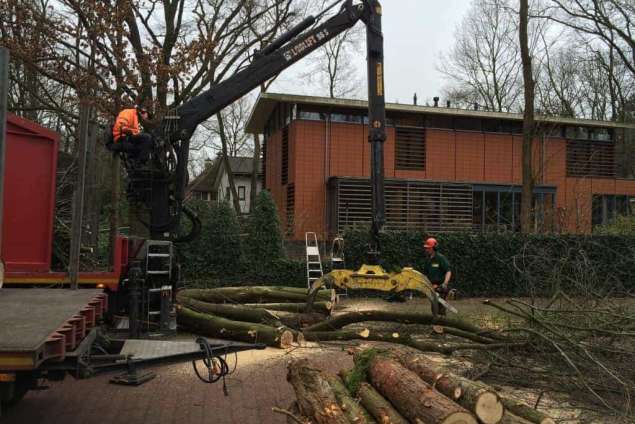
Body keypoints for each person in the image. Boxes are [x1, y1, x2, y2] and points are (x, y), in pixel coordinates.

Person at [422, 237, 452, 315]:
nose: (426, 250)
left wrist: (445, 284)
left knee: (440, 307)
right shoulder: (428, 259)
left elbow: (448, 271)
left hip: (440, 287)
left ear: (434, 248)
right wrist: (426, 285)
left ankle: (440, 324)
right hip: (432, 287)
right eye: (426, 248)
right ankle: (437, 324)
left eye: (428, 248)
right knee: (434, 307)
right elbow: (425, 274)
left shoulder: (440, 258)